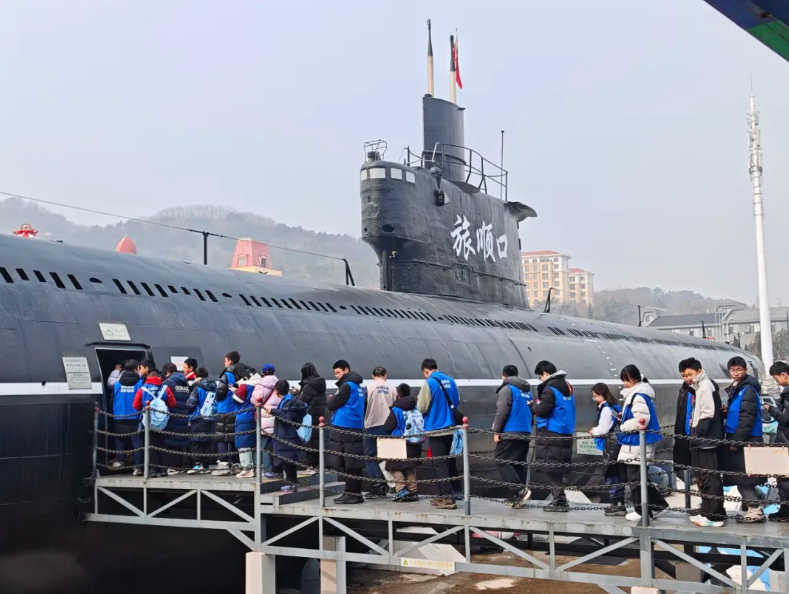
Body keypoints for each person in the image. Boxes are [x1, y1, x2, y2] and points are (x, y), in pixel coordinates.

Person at [617, 364, 668, 522]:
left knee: (636, 478)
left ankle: (642, 510)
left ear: (635, 379)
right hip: (638, 443)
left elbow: (642, 419)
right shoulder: (640, 394)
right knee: (640, 477)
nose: (625, 384)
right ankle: (656, 505)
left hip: (636, 443)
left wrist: (624, 425)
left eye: (627, 380)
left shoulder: (637, 396)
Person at [679, 358, 726, 527]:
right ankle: (709, 511)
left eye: (690, 374)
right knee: (704, 477)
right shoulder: (700, 386)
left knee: (709, 478)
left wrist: (697, 432)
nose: (687, 378)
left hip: (706, 441)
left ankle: (714, 516)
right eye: (684, 375)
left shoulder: (705, 386)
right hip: (705, 439)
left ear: (699, 371)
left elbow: (707, 413)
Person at [722, 356, 765, 523]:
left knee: (743, 478)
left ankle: (754, 510)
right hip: (740, 437)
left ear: (745, 370)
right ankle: (753, 506)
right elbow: (740, 413)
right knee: (742, 477)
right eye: (732, 370)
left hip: (745, 439)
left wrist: (737, 440)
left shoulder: (747, 390)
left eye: (739, 370)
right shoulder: (738, 389)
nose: (735, 373)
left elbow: (747, 417)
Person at [530, 360, 575, 512]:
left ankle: (559, 501)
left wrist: (532, 405)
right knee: (557, 468)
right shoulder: (567, 386)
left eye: (540, 376)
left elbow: (542, 411)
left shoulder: (550, 389)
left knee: (552, 468)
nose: (540, 380)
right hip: (565, 429)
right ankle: (559, 499)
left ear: (545, 373)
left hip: (551, 431)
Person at [417, 358, 461, 510]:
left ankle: (446, 497)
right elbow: (457, 402)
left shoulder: (429, 383)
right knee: (447, 462)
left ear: (426, 370)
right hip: (450, 427)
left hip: (436, 428)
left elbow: (422, 407)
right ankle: (444, 494)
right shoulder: (451, 381)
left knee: (439, 463)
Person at [491, 365, 533, 509]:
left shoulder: (507, 389)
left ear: (504, 376)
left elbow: (502, 411)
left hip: (510, 431)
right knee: (518, 463)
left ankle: (519, 490)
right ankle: (520, 496)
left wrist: (496, 431)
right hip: (525, 431)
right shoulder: (526, 392)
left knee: (501, 461)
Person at [326, 360, 367, 504]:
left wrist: (331, 398)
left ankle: (351, 493)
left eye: (338, 372)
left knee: (347, 461)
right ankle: (355, 492)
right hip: (356, 426)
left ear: (346, 370)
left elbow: (331, 405)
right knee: (354, 462)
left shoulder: (346, 386)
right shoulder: (358, 387)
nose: (336, 376)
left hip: (344, 426)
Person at [132, 368, 177, 478]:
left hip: (147, 421)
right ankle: (163, 469)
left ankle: (152, 469)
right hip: (162, 422)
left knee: (150, 445)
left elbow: (136, 405)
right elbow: (173, 403)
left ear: (148, 377)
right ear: (159, 377)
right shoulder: (165, 388)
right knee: (162, 444)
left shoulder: (143, 389)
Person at [383, 383, 423, 502]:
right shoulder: (415, 408)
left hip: (398, 441)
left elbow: (388, 426)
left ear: (398, 394)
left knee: (394, 466)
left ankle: (401, 490)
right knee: (409, 467)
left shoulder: (396, 409)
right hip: (413, 440)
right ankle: (413, 491)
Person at [589, 383, 624, 516]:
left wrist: (594, 431)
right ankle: (618, 502)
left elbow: (604, 429)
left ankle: (616, 503)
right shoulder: (615, 406)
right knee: (616, 472)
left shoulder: (606, 409)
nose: (595, 399)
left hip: (610, 444)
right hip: (618, 442)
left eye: (596, 396)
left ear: (603, 395)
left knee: (611, 472)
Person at [213, 351, 250, 476]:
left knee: (222, 437)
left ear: (229, 361)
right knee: (235, 437)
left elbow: (220, 392)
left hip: (224, 409)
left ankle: (223, 464)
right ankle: (236, 463)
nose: (224, 363)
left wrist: (217, 400)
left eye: (225, 361)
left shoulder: (227, 374)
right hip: (237, 409)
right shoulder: (242, 374)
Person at [267, 379, 308, 492]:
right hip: (285, 433)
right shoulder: (288, 400)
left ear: (276, 391)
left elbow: (287, 418)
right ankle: (279, 473)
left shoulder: (288, 402)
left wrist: (274, 411)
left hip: (287, 434)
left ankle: (291, 483)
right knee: (280, 454)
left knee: (288, 460)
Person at [364, 367, 398, 498]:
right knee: (388, 457)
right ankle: (394, 486)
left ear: (373, 376)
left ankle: (377, 485)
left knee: (370, 457)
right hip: (388, 425)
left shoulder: (368, 388)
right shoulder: (392, 388)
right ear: (385, 375)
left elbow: (364, 406)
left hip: (372, 424)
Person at [110, 359, 142, 470]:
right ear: (136, 369)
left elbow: (112, 400)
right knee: (137, 441)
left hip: (119, 416)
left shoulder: (117, 384)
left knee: (119, 439)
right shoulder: (140, 383)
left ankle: (119, 461)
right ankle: (138, 465)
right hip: (135, 416)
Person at [767, 361, 789, 522]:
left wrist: (772, 410)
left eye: (776, 379)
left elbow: (785, 419)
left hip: (786, 439)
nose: (777, 382)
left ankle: (785, 509)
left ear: (784, 375)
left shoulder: (788, 395)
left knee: (784, 477)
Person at [162, 362, 191, 476]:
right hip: (184, 415)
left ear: (167, 372)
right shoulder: (185, 382)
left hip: (172, 415)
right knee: (180, 440)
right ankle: (181, 465)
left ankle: (172, 466)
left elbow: (163, 398)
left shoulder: (168, 383)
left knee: (171, 440)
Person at [185, 367, 217, 474]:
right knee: (207, 441)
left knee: (195, 441)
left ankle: (197, 464)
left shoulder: (197, 388)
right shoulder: (214, 387)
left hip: (198, 417)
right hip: (211, 417)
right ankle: (206, 465)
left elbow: (191, 403)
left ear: (196, 376)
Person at [251, 364, 280, 478]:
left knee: (264, 446)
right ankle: (278, 469)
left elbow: (255, 400)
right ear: (274, 372)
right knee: (277, 445)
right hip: (277, 418)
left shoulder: (260, 384)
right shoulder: (279, 384)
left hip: (264, 419)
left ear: (262, 373)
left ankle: (267, 469)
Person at [297, 362, 327, 473]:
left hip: (309, 416)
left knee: (309, 440)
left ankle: (311, 466)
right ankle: (318, 465)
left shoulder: (308, 386)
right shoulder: (320, 383)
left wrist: (296, 395)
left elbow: (302, 401)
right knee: (318, 441)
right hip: (319, 415)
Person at [233, 372, 262, 478]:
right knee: (253, 444)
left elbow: (236, 400)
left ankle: (247, 469)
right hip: (254, 417)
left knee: (243, 443)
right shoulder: (259, 385)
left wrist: (234, 391)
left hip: (243, 417)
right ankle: (256, 467)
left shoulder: (244, 386)